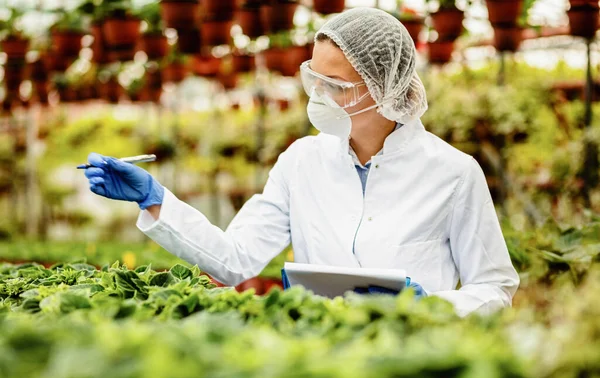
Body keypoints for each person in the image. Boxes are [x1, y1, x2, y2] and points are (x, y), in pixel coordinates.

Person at [83, 8, 519, 317]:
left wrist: (433, 306)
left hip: (410, 360)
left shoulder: (453, 173)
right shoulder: (301, 161)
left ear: (385, 86)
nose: (322, 96)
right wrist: (155, 199)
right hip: (316, 358)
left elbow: (494, 286)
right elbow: (236, 259)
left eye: (337, 85)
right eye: (316, 78)